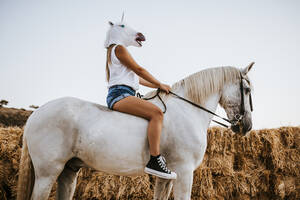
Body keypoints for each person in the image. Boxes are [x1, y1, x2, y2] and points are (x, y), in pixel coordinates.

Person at [104, 21, 177, 180]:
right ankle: (155, 160)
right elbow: (139, 70)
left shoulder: (113, 52)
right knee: (157, 113)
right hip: (120, 94)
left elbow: (137, 78)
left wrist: (160, 86)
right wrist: (159, 84)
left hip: (122, 92)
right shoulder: (119, 48)